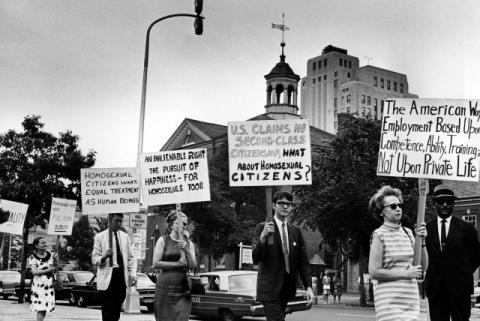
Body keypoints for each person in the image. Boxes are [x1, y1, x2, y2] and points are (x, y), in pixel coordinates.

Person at [252, 191, 314, 321]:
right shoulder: (263, 228)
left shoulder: (295, 231)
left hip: (287, 289)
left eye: (288, 204)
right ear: (274, 205)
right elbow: (255, 258)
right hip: (269, 289)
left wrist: (308, 286)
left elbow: (302, 262)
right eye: (281, 203)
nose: (285, 206)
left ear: (291, 207)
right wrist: (263, 237)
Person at [368, 185, 427, 321]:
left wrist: (423, 242)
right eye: (393, 206)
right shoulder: (379, 235)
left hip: (410, 300)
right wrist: (406, 274)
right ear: (381, 212)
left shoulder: (409, 233)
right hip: (389, 302)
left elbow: (422, 267)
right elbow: (374, 272)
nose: (398, 208)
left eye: (399, 205)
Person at [424, 184, 480, 321]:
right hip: (436, 289)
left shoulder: (467, 228)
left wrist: (463, 270)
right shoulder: (426, 229)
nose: (444, 205)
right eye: (440, 202)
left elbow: (477, 255)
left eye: (449, 202)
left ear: (453, 204)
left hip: (460, 288)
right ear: (434, 204)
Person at [152, 211, 196, 321]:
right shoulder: (163, 240)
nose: (183, 226)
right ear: (171, 225)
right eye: (179, 223)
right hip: (165, 288)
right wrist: (177, 264)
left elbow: (192, 265)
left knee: (181, 318)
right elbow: (156, 263)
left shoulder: (188, 243)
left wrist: (187, 251)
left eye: (185, 224)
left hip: (182, 289)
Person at [92, 213, 136, 321]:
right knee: (108, 311)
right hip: (108, 279)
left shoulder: (125, 237)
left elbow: (131, 258)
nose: (119, 223)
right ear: (110, 220)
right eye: (117, 221)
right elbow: (94, 259)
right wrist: (104, 256)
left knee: (116, 311)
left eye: (121, 221)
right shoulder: (100, 236)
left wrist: (132, 274)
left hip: (121, 278)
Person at [28, 237, 58, 321]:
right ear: (36, 245)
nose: (44, 244)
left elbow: (55, 268)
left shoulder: (51, 255)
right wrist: (48, 270)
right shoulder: (32, 257)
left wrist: (56, 260)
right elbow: (34, 272)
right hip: (39, 285)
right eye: (42, 243)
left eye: (45, 242)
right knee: (41, 307)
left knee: (45, 307)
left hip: (48, 284)